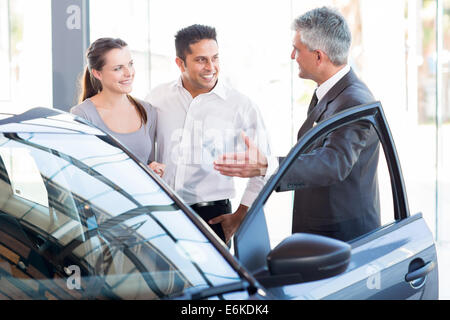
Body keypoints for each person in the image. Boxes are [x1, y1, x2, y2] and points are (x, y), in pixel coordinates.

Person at [214, 7, 381, 242]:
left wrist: (268, 164)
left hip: (342, 241)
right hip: (324, 234)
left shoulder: (354, 100)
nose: (293, 56)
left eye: (297, 49)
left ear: (319, 56)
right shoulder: (333, 92)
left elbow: (334, 163)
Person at [146, 24, 271, 244]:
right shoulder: (157, 98)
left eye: (215, 58)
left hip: (213, 217)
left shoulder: (241, 106)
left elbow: (264, 168)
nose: (211, 67)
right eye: (201, 59)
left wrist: (241, 215)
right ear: (180, 63)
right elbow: (145, 149)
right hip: (163, 212)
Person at [71, 38, 165, 177]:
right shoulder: (83, 115)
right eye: (118, 68)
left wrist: (154, 168)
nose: (129, 73)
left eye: (130, 64)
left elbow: (147, 161)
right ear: (97, 73)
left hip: (142, 197)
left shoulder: (147, 111)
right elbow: (79, 171)